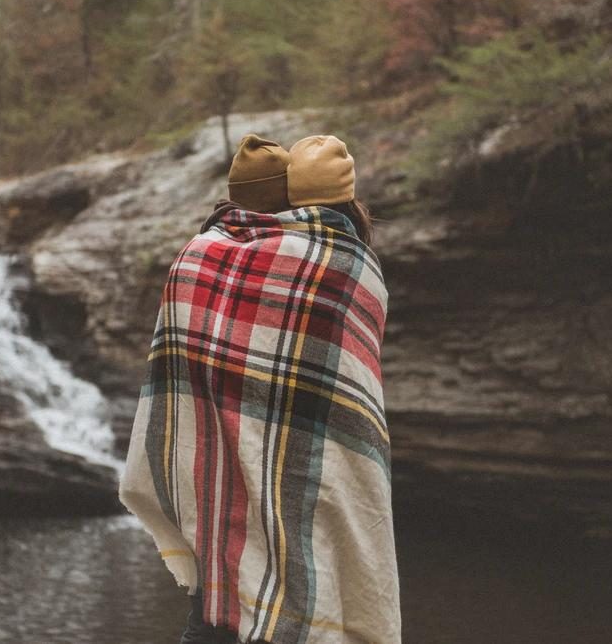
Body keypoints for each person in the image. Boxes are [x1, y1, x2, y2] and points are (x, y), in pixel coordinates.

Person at [119, 133, 401, 644]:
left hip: (218, 552)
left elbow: (177, 396)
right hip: (312, 513)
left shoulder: (195, 256)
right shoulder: (349, 265)